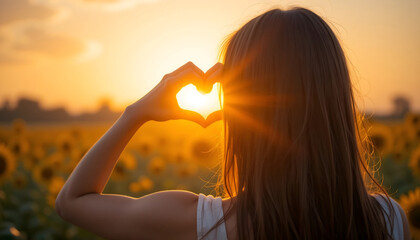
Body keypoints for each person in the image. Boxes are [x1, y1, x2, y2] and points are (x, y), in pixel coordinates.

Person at [55, 7, 411, 240]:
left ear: (245, 113)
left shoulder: (201, 223)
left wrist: (136, 113)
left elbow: (72, 201)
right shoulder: (390, 221)